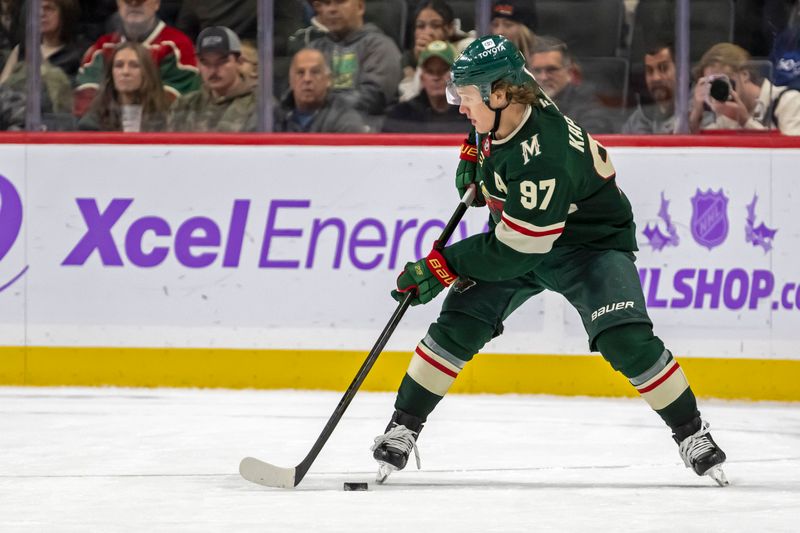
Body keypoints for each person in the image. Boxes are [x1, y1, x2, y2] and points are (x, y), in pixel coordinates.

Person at [370, 35, 729, 488]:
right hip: (528, 230)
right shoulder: (513, 99)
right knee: (459, 323)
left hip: (587, 244)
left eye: (466, 98)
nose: (461, 107)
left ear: (499, 95)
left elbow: (515, 250)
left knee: (626, 339)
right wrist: (471, 158)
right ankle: (403, 426)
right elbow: (482, 132)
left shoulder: (545, 156)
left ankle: (692, 432)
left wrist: (444, 265)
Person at [74, 0, 200, 117]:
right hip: (107, 130)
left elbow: (176, 106)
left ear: (156, 3)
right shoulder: (102, 47)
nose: (134, 4)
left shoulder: (180, 47)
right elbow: (85, 102)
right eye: (127, 0)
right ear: (119, 4)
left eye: (141, 0)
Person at [308, 0, 402, 116]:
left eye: (340, 2)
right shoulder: (313, 49)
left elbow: (372, 99)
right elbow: (292, 96)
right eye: (326, 3)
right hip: (315, 130)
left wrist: (317, 100)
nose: (331, 9)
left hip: (365, 129)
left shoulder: (380, 46)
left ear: (360, 7)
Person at [689, 42, 800, 135]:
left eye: (722, 81)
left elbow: (791, 153)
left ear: (744, 74)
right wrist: (696, 114)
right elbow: (700, 148)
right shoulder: (728, 114)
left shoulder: (789, 101)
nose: (720, 88)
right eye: (713, 84)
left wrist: (745, 121)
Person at [167, 26, 256, 132]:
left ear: (239, 62)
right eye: (205, 62)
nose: (213, 70)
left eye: (222, 61)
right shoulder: (184, 105)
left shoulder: (259, 106)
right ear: (197, 64)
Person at [529, 36, 617, 133]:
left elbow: (591, 137)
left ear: (569, 72)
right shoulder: (521, 101)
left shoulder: (587, 105)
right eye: (537, 71)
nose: (543, 77)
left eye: (551, 70)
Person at [382, 40, 469, 133]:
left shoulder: (471, 115)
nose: (436, 77)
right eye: (430, 71)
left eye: (443, 70)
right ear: (422, 78)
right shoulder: (401, 115)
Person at [78, 41, 168, 131]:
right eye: (119, 65)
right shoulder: (92, 122)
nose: (125, 72)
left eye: (134, 65)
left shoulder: (166, 119)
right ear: (111, 74)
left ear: (147, 72)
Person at [274, 47, 366, 133]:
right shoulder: (274, 117)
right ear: (291, 80)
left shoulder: (346, 120)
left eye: (315, 72)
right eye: (300, 73)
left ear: (328, 80)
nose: (307, 79)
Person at [397, 0, 473, 102]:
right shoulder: (410, 58)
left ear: (450, 28)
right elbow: (409, 100)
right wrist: (421, 62)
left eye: (435, 25)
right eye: (420, 26)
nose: (427, 32)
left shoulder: (467, 48)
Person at [0, 0, 84, 85]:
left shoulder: (76, 57)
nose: (41, 13)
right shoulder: (22, 49)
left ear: (65, 13)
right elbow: (2, 87)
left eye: (49, 8)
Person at [622, 42, 678, 134]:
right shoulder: (635, 121)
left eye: (664, 68)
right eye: (649, 71)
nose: (656, 78)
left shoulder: (697, 113)